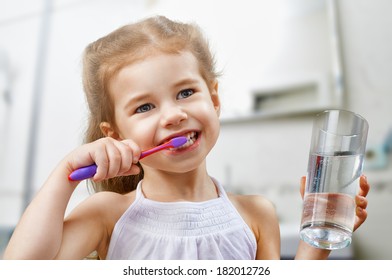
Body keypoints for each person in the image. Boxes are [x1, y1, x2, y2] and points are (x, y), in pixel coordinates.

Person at [3, 16, 370, 260]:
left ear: (213, 100)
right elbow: (21, 269)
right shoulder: (107, 215)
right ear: (115, 135)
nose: (173, 114)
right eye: (144, 107)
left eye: (184, 93)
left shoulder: (257, 214)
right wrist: (64, 173)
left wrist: (318, 234)